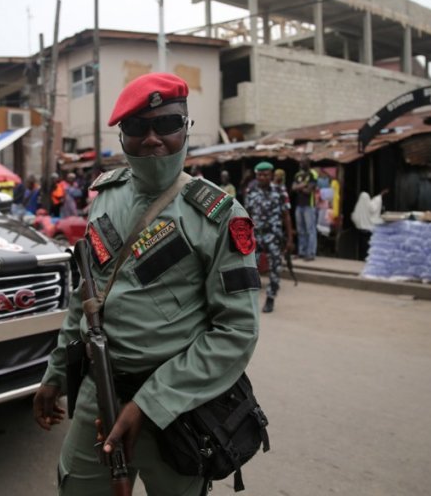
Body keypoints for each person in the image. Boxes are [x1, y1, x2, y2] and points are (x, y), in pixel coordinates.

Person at [33, 72, 260, 495]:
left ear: (186, 128)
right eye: (137, 127)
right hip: (96, 393)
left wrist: (150, 405)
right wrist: (56, 374)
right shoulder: (107, 196)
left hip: (177, 409)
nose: (152, 139)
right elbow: (86, 297)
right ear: (122, 136)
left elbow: (236, 332)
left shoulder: (220, 216)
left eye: (168, 124)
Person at [245, 161, 294, 313]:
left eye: (265, 175)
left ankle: (270, 298)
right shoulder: (250, 192)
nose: (262, 177)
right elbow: (246, 216)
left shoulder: (280, 192)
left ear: (271, 175)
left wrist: (290, 239)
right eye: (259, 175)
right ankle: (249, 300)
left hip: (274, 235)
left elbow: (286, 216)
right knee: (250, 267)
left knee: (275, 268)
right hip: (255, 236)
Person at [291, 157, 318, 260]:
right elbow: (293, 188)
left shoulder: (312, 174)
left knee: (310, 230)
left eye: (303, 162)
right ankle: (301, 252)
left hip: (309, 205)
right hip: (299, 205)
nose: (301, 164)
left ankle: (310, 253)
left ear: (308, 163)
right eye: (300, 162)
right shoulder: (298, 175)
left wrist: (299, 187)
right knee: (300, 230)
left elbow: (309, 191)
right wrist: (303, 185)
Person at [351, 188, 389, 260]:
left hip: (360, 231)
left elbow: (354, 217)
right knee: (367, 247)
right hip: (368, 231)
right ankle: (365, 259)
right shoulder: (369, 208)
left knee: (361, 247)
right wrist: (380, 196)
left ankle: (361, 258)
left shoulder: (358, 209)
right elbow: (374, 207)